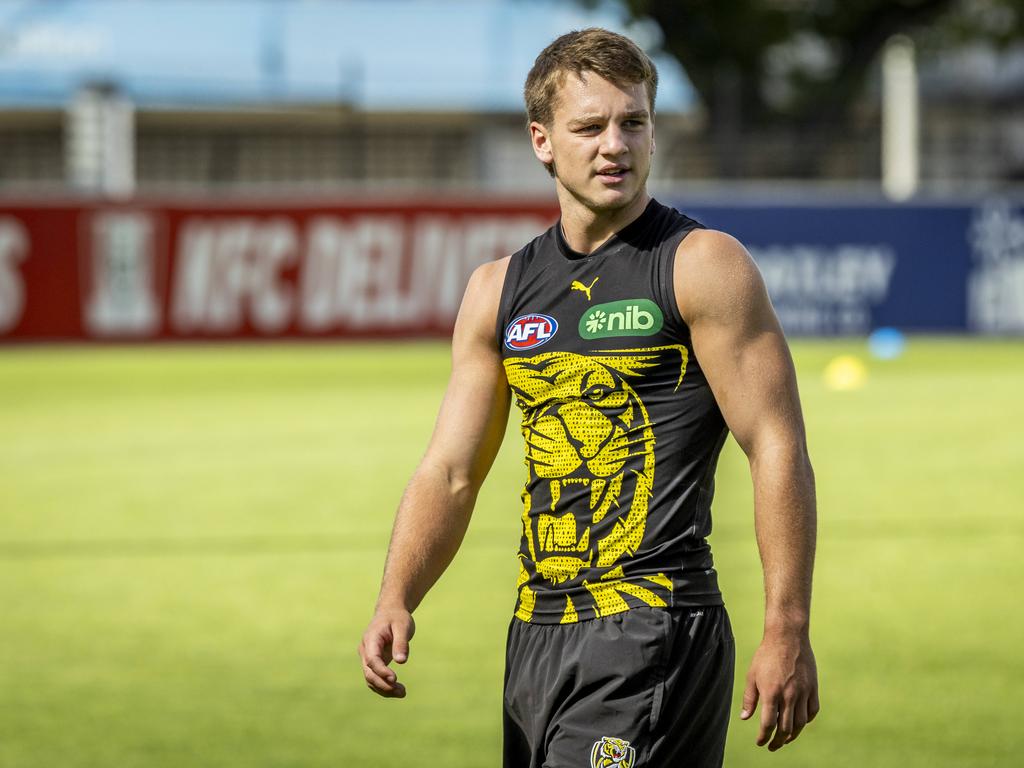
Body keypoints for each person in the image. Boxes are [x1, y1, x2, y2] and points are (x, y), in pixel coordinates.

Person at [359, 27, 819, 767]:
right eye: (590, 127)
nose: (616, 144)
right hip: (536, 634)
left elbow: (775, 444)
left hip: (654, 629)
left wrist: (787, 626)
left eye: (633, 122)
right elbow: (450, 470)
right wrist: (396, 596)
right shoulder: (496, 291)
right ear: (542, 141)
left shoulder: (701, 267)